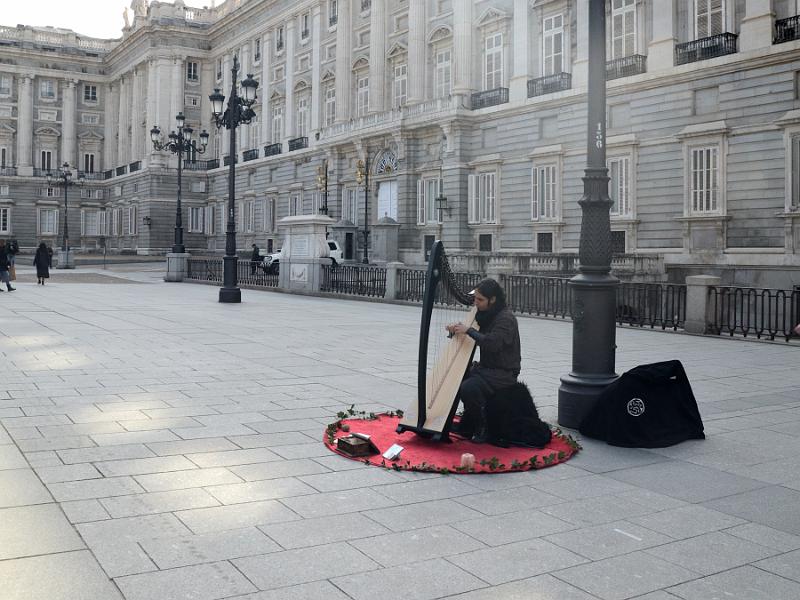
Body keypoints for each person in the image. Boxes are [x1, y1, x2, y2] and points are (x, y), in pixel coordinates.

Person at [446, 278, 520, 443]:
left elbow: (492, 344)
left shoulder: (505, 319)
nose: (475, 303)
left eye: (480, 300)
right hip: (487, 368)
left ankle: (483, 428)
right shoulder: (487, 314)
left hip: (503, 372)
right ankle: (467, 424)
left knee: (468, 387)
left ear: (492, 299)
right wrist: (456, 330)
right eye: (475, 298)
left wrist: (469, 330)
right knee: (457, 376)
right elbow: (475, 336)